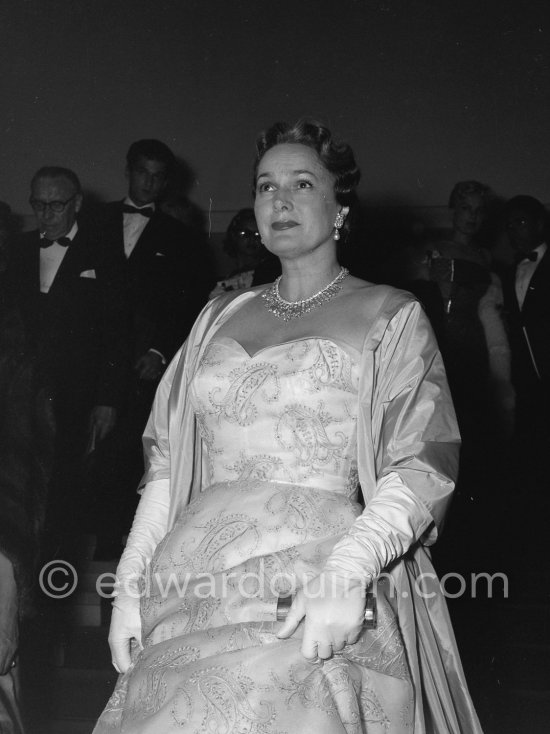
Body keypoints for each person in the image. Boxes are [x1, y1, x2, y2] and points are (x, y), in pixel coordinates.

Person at [94, 120, 482, 733]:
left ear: (340, 208)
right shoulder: (218, 314)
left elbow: (422, 462)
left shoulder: (392, 313)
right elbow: (168, 464)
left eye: (303, 183)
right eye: (266, 185)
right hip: (190, 580)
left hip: (316, 576)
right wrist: (131, 584)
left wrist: (348, 572)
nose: (280, 200)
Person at [90, 140, 213, 557]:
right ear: (128, 170)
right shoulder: (93, 219)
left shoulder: (178, 236)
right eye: (144, 172)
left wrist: (161, 352)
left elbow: (183, 304)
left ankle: (113, 550)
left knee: (125, 457)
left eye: (159, 176)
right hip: (86, 361)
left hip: (140, 367)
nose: (150, 182)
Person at [6, 167, 128, 558]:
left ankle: (53, 573)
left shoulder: (103, 253)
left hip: (76, 396)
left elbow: (116, 335)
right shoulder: (18, 249)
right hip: (20, 395)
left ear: (76, 203)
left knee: (64, 488)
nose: (46, 214)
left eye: (56, 205)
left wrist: (107, 400)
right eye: (38, 205)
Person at [503, 195, 550, 479]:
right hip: (523, 379)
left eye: (520, 221)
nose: (513, 230)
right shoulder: (507, 272)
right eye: (509, 225)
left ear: (539, 224)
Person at [209, 208, 275, 297]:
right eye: (245, 234)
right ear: (234, 235)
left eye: (257, 234)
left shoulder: (269, 272)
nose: (252, 240)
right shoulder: (222, 268)